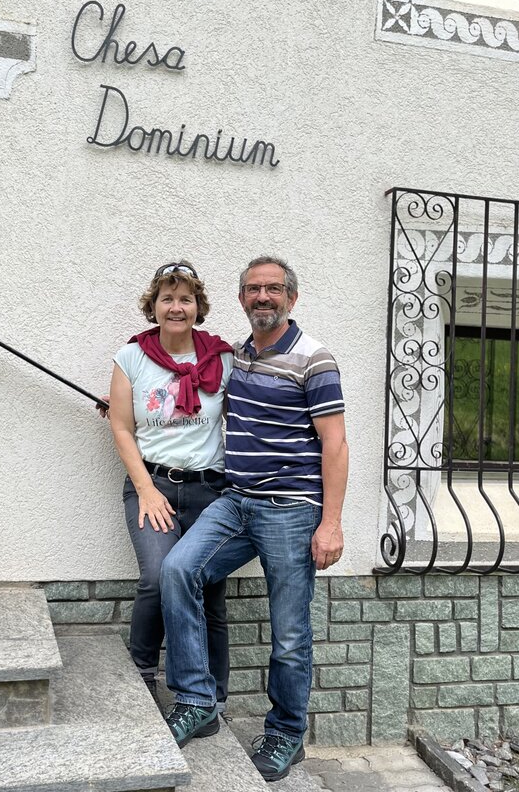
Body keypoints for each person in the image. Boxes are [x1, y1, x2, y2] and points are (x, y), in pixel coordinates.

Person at [160, 256, 348, 782]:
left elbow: (335, 444)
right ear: (242, 298)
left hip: (292, 510)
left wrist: (331, 524)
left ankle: (286, 734)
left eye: (273, 289)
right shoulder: (238, 356)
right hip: (236, 501)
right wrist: (127, 407)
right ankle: (197, 701)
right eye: (253, 289)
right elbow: (190, 389)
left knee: (288, 631)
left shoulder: (315, 359)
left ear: (292, 297)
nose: (263, 297)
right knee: (178, 570)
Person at [109, 261, 235, 712]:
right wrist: (146, 489)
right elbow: (122, 427)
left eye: (185, 299)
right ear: (154, 306)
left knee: (209, 590)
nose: (176, 307)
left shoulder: (222, 359)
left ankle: (213, 697)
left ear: (198, 306)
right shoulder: (131, 358)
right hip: (153, 484)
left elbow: (243, 419)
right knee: (157, 577)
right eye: (167, 298)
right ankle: (144, 674)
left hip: (210, 490)